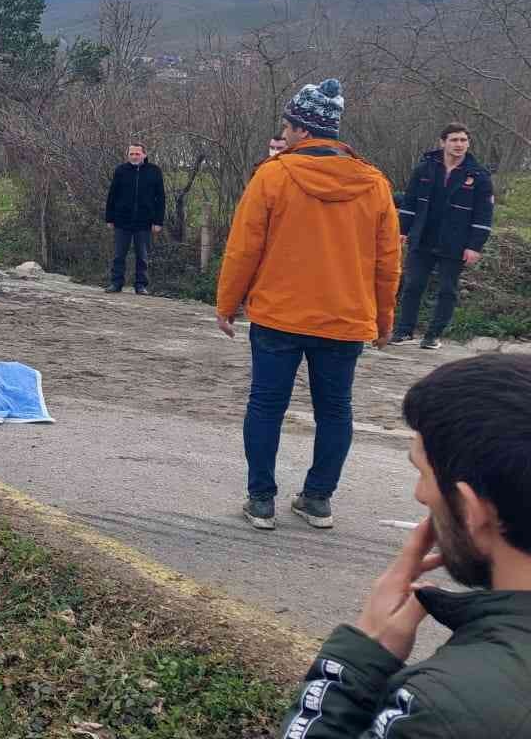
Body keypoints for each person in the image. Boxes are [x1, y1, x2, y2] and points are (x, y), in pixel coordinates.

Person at [276, 353, 531, 738]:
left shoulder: (446, 709)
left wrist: (354, 665)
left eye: (422, 473)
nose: (420, 494)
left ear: (470, 509)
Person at [216, 78, 401, 533]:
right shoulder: (375, 185)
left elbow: (244, 248)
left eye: (287, 125)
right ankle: (318, 499)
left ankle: (261, 501)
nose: (284, 132)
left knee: (266, 405)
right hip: (345, 319)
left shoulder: (273, 176)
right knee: (335, 410)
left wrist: (227, 303)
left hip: (279, 315)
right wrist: (384, 321)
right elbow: (388, 263)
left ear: (301, 129)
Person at [393, 124, 495, 351]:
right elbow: (409, 203)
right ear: (443, 142)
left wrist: (475, 246)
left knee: (447, 290)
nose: (459, 145)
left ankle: (433, 336)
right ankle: (403, 331)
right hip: (423, 237)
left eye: (463, 140)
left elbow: (484, 215)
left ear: (468, 144)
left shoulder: (479, 176)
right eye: (454, 140)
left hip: (456, 242)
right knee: (412, 285)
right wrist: (402, 231)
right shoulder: (424, 169)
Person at [103, 142, 165, 294]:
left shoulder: (154, 171)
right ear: (128, 155)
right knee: (119, 255)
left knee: (142, 256)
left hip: (145, 221)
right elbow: (112, 195)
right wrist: (109, 218)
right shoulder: (120, 170)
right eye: (131, 154)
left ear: (144, 154)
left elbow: (160, 198)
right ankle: (116, 283)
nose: (134, 156)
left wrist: (158, 221)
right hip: (122, 220)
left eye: (137, 154)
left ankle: (141, 285)